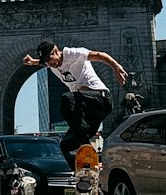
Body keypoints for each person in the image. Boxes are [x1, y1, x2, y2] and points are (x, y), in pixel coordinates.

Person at [23, 40, 127, 169]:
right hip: (86, 110)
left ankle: (85, 142)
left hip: (100, 99)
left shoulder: (73, 54)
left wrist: (116, 67)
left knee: (67, 99)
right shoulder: (50, 62)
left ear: (56, 51)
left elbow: (100, 55)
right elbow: (43, 62)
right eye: (46, 62)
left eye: (50, 60)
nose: (49, 64)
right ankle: (85, 173)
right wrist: (33, 62)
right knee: (66, 145)